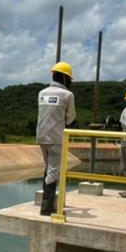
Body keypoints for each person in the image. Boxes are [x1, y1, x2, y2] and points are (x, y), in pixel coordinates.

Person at [37, 61, 76, 216]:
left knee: (48, 168)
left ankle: (48, 204)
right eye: (70, 79)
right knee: (53, 171)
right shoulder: (67, 95)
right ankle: (47, 208)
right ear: (65, 78)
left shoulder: (42, 93)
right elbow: (71, 117)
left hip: (41, 136)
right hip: (56, 137)